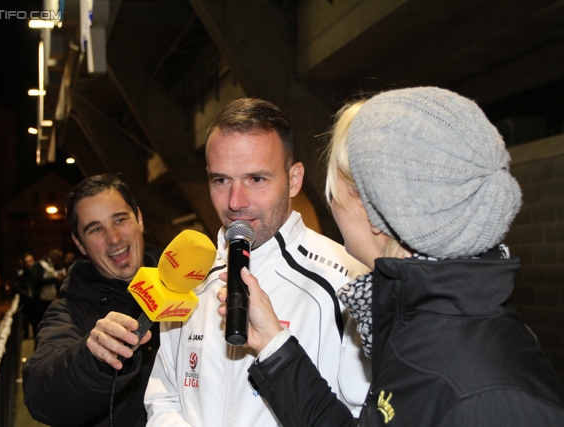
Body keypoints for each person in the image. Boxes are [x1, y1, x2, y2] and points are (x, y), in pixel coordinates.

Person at [223, 87, 564, 426]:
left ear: (374, 211)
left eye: (337, 190)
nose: (332, 204)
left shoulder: (486, 396)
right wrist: (273, 344)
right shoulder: (423, 327)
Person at [145, 98, 371, 426]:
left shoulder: (347, 282)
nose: (235, 202)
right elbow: (163, 394)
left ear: (293, 180)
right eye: (221, 180)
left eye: (256, 179)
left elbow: (362, 416)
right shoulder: (188, 276)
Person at [23, 174, 163, 427]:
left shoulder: (192, 287)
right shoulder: (67, 313)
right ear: (80, 243)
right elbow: (41, 396)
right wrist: (94, 360)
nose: (114, 238)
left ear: (139, 219)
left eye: (120, 219)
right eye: (96, 229)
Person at [13, 253, 35, 339]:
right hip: (25, 304)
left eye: (30, 261)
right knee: (25, 324)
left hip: (36, 304)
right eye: (26, 262)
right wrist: (27, 293)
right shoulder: (20, 273)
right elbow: (16, 287)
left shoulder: (37, 272)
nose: (28, 263)